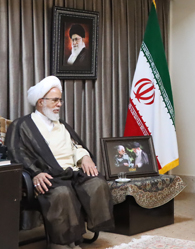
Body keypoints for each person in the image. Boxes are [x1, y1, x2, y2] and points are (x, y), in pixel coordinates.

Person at [6, 76, 114, 249]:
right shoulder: (22, 125)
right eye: (55, 100)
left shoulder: (61, 125)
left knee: (97, 183)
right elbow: (16, 153)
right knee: (61, 193)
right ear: (40, 102)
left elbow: (75, 146)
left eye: (60, 100)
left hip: (71, 171)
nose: (59, 104)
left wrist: (84, 157)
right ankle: (62, 242)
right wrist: (35, 173)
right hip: (47, 175)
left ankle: (81, 233)